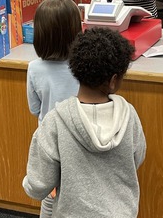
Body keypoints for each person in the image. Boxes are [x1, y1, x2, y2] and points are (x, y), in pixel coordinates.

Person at [23, 27, 147, 217]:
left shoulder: (55, 121)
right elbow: (136, 158)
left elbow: (37, 186)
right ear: (113, 80)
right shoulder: (129, 116)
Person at [26, 0, 82, 217]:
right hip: (78, 140)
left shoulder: (34, 68)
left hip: (48, 141)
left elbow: (34, 108)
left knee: (49, 195)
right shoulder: (83, 65)